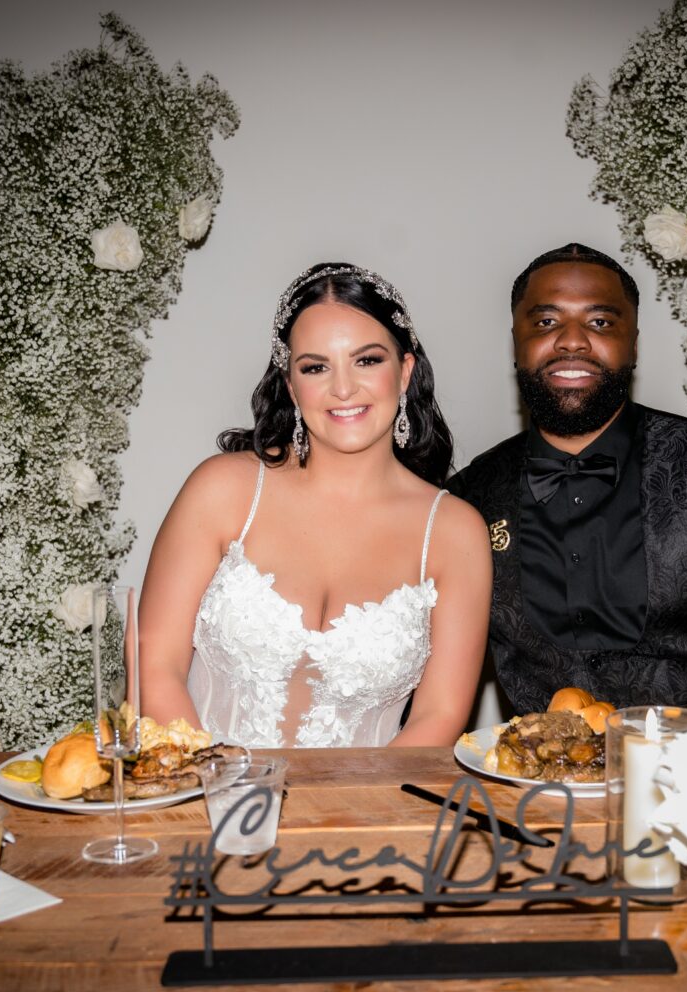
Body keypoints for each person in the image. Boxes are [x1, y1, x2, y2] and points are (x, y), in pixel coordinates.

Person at [140, 263, 492, 748]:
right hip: (197, 799)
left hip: (367, 813)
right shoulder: (223, 490)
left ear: (405, 370)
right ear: (290, 384)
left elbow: (439, 716)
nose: (343, 388)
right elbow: (151, 660)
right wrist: (217, 789)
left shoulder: (454, 532)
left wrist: (349, 817)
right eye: (315, 366)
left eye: (367, 360)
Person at [446, 243, 687, 725]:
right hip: (533, 792)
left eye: (600, 323)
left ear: (633, 342)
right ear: (516, 343)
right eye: (546, 322)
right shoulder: (467, 499)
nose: (572, 342)